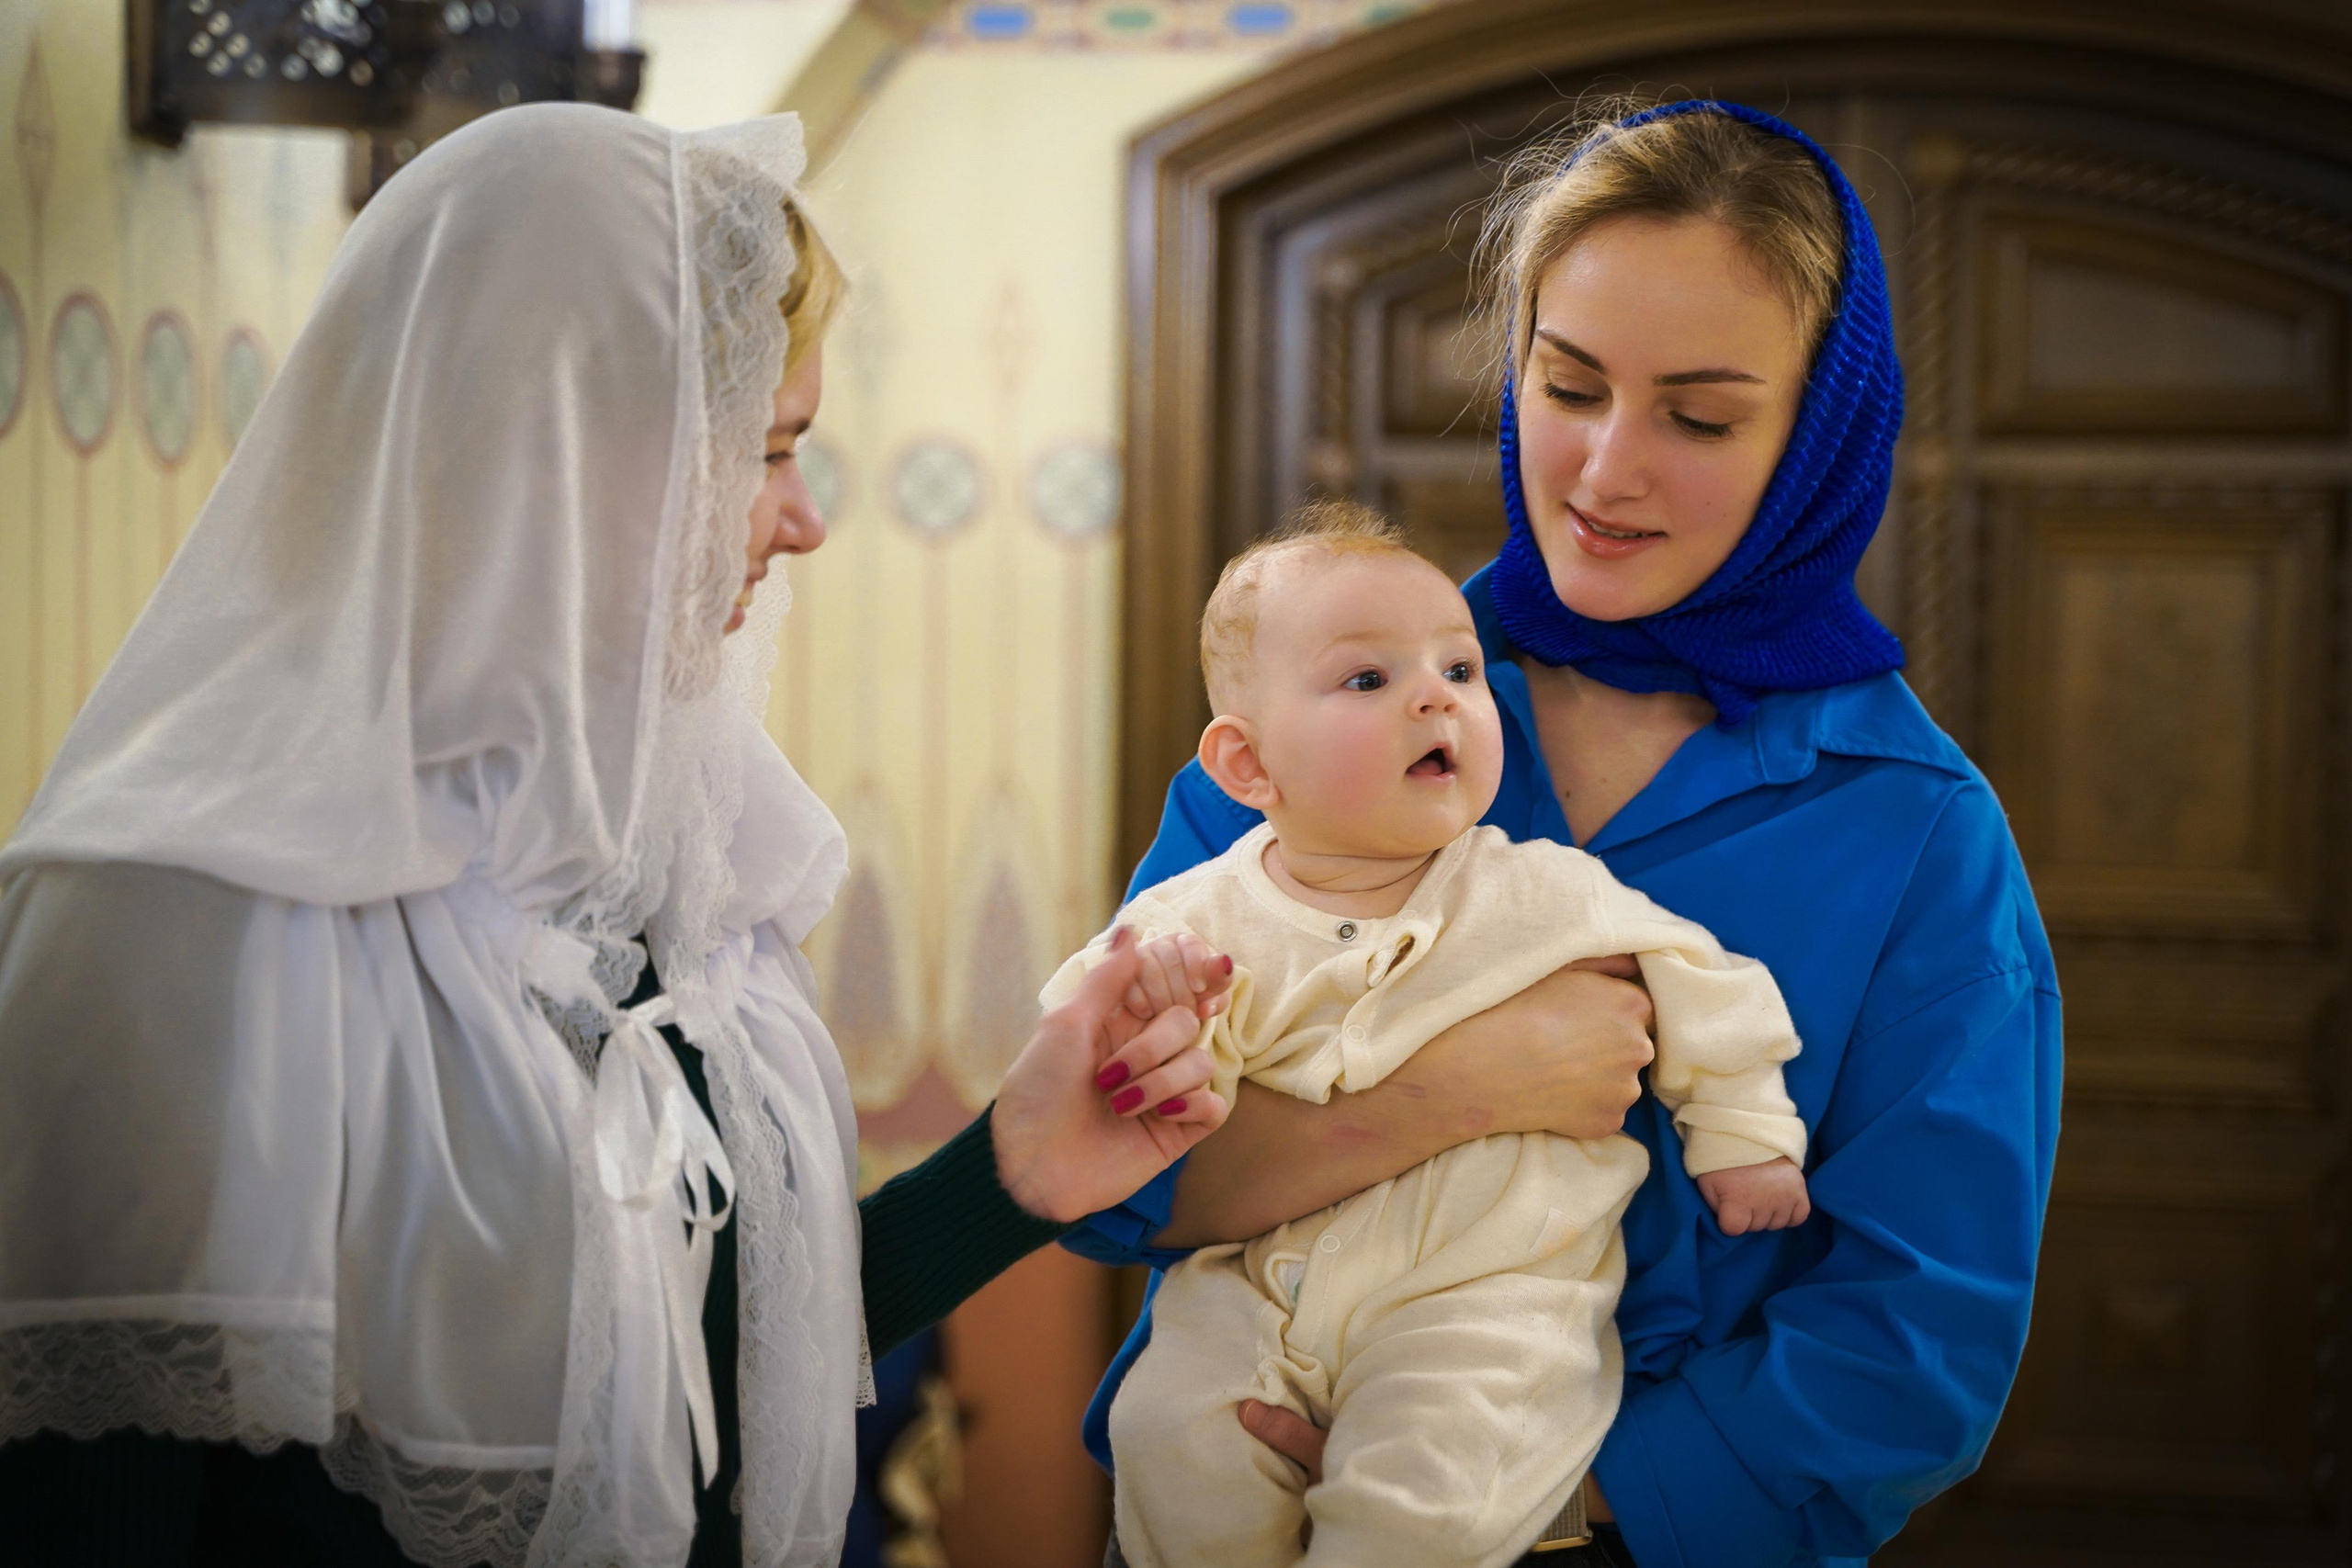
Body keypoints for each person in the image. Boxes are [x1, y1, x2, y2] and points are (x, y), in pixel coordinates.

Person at [0, 105, 1229, 1568]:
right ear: (560, 453)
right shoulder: (169, 926)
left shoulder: (664, 865)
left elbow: (697, 1369)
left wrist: (1014, 1167)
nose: (803, 521)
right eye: (768, 449)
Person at [1067, 99, 2063, 1568]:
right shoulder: (1315, 719)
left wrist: (1526, 1488)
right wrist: (1464, 1086)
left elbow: (1919, 1333)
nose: (1603, 471)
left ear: (1820, 438)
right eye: (1569, 383)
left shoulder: (1917, 833)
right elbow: (1104, 1168)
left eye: (1701, 416)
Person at [1052, 501, 1812, 1568]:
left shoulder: (1540, 890)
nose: (1433, 699)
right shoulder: (1197, 918)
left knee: (1425, 1500)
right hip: (1255, 1290)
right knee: (1164, 1431)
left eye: (1459, 671)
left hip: (1484, 1299)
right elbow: (1078, 1054)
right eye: (1369, 680)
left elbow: (1706, 984)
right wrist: (1150, 1020)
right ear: (1246, 767)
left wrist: (1744, 1133)